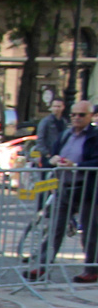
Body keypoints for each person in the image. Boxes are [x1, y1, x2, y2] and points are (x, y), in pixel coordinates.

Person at [34, 100, 98, 282]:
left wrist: (76, 165)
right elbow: (49, 159)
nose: (76, 118)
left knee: (90, 230)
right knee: (55, 227)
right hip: (64, 187)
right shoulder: (64, 135)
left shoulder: (94, 136)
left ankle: (92, 269)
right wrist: (52, 161)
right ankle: (41, 266)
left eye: (81, 115)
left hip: (88, 189)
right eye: (74, 114)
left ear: (90, 116)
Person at [37, 99, 69, 166]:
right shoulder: (45, 121)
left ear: (63, 107)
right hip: (49, 154)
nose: (56, 109)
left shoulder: (64, 122)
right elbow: (40, 138)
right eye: (54, 106)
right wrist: (46, 153)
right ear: (51, 108)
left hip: (60, 155)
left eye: (59, 106)